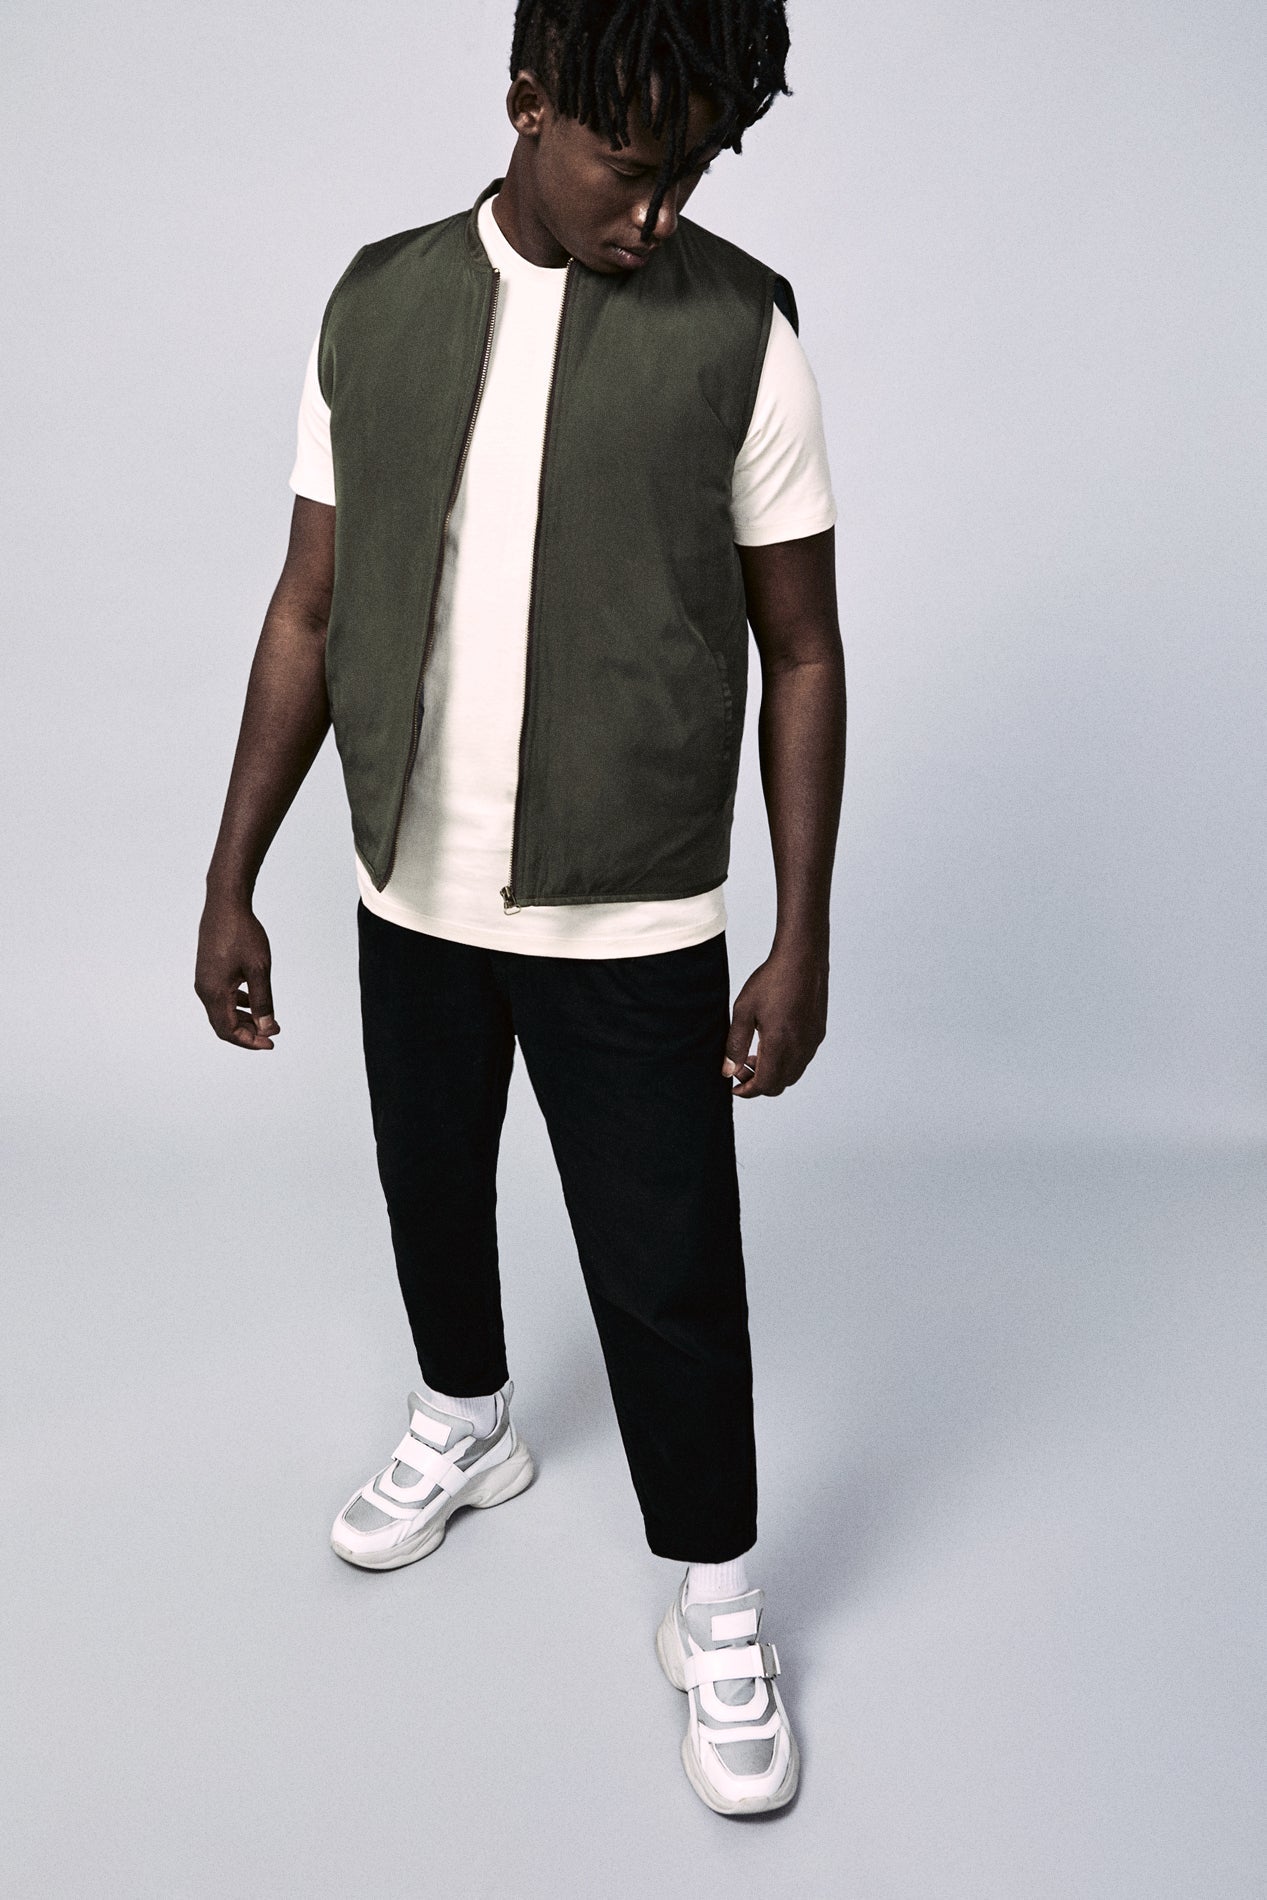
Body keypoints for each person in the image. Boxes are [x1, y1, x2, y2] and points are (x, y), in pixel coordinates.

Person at [195, 0, 844, 1818]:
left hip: (629, 908)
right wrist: (231, 874)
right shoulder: (376, 304)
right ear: (528, 105)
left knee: (668, 1271)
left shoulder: (743, 330)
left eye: (694, 170)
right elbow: (308, 609)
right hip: (406, 876)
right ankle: (465, 1418)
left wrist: (802, 931)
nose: (663, 210)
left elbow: (803, 647)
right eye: (634, 168)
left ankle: (718, 1600)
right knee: (429, 1181)